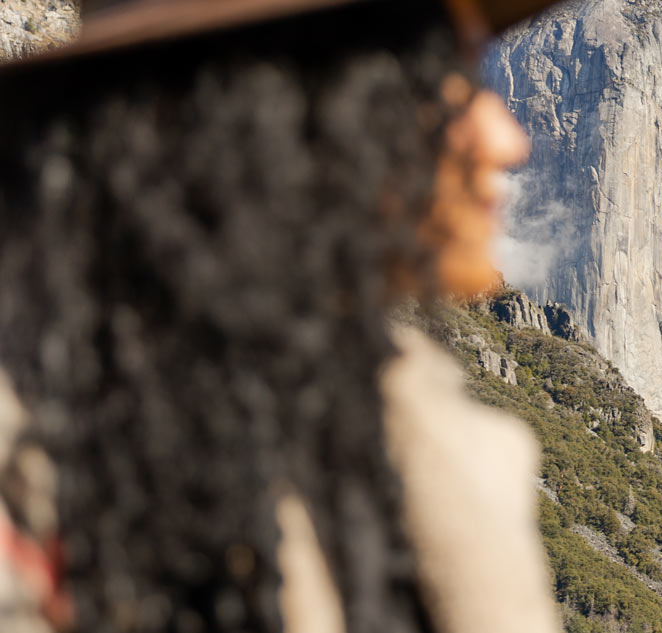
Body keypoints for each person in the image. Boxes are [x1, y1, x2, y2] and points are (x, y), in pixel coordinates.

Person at [0, 0, 562, 630]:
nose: (508, 140)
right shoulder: (34, 481)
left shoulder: (425, 439)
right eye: (449, 81)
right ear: (288, 104)